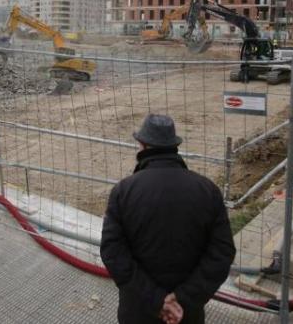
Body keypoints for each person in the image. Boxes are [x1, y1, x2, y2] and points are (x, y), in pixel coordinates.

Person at [100, 114, 236, 324]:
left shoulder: (123, 191)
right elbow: (222, 253)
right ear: (174, 146)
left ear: (142, 144)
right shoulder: (207, 190)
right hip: (186, 313)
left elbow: (113, 252)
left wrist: (157, 300)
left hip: (139, 310)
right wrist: (183, 298)